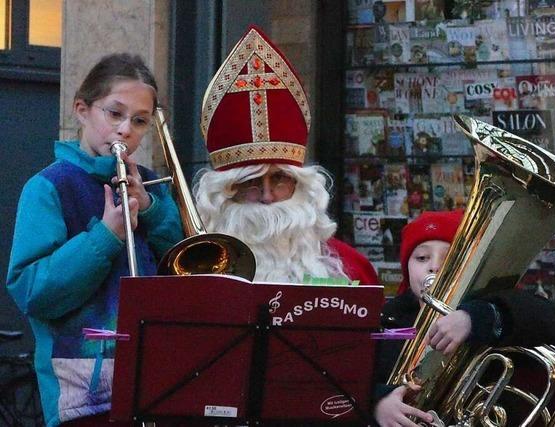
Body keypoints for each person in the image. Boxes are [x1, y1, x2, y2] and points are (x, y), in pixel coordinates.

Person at [6, 53, 184, 427]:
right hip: (83, 395)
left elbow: (189, 274)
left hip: (161, 383)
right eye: (114, 114)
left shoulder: (154, 188)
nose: (125, 130)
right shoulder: (48, 188)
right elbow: (33, 292)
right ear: (82, 110)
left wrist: (152, 210)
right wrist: (106, 236)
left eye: (139, 121)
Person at [193, 26, 378, 286]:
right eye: (251, 182)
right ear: (226, 191)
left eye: (279, 178)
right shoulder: (194, 274)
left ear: (300, 184)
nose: (268, 197)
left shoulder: (352, 270)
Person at [373, 210, 555, 427]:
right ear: (407, 267)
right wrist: (378, 403)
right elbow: (353, 384)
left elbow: (550, 321)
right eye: (421, 258)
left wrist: (474, 318)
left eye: (448, 258)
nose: (434, 266)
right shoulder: (384, 320)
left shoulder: (493, 301)